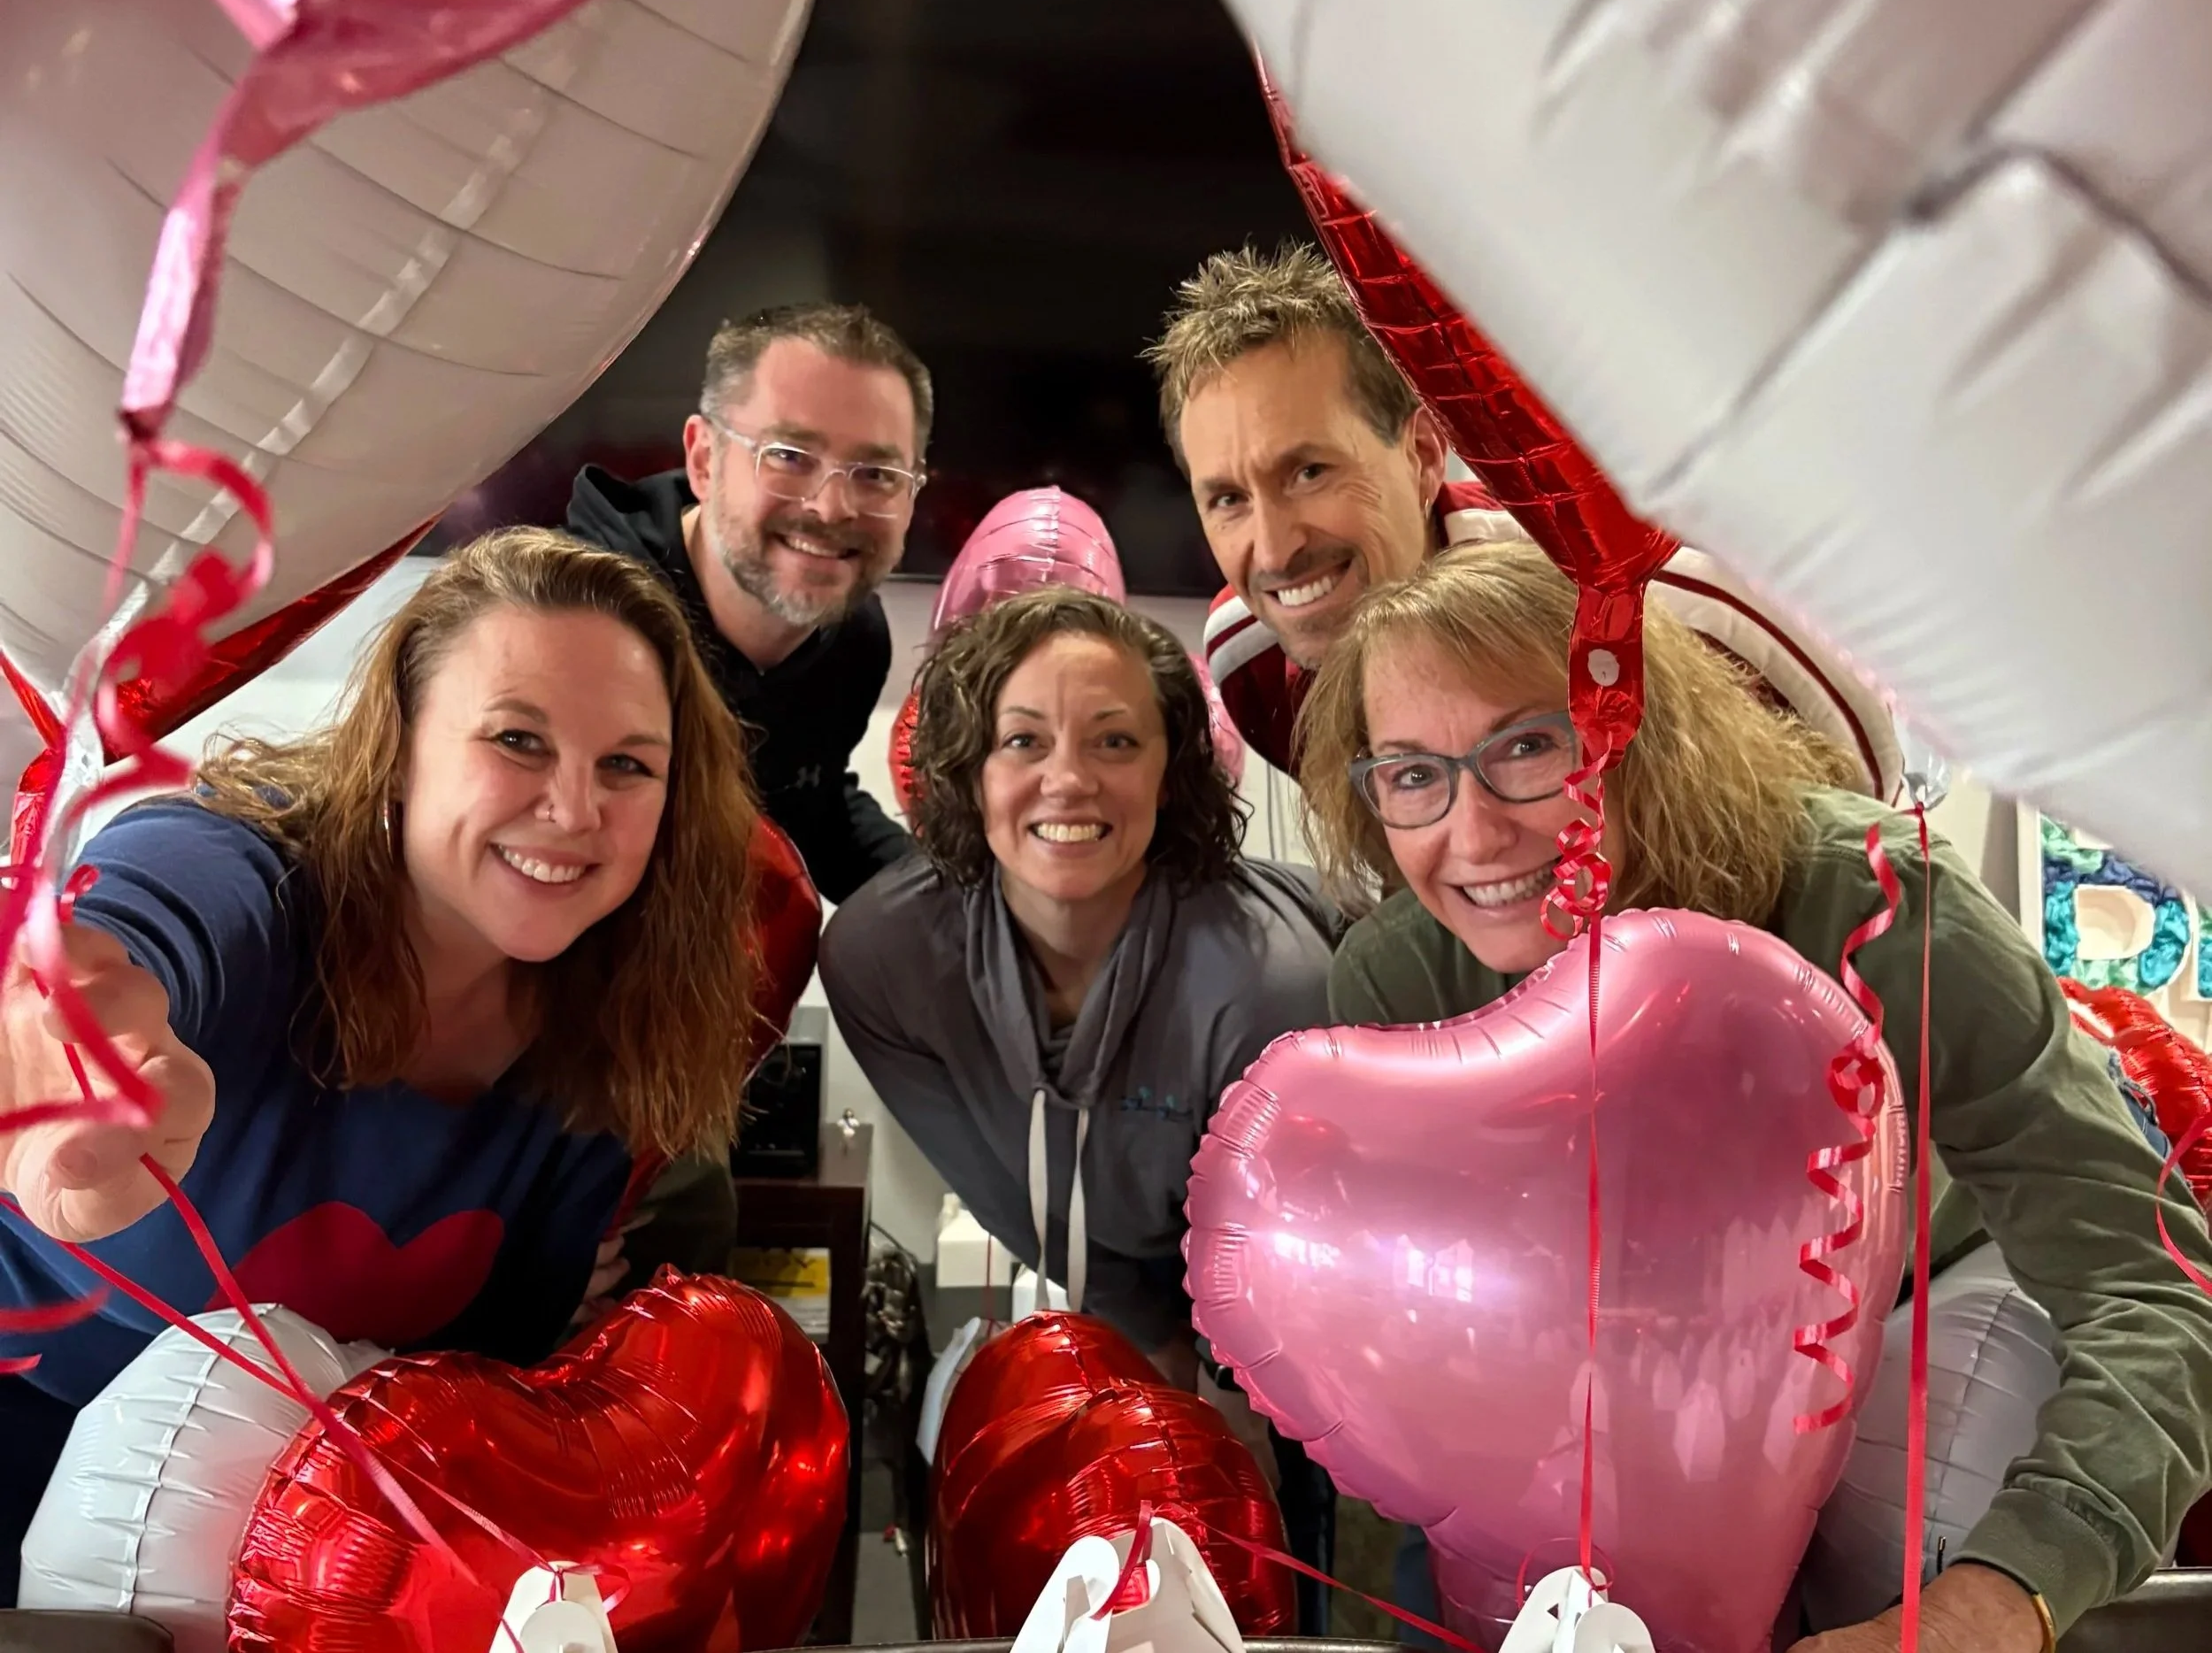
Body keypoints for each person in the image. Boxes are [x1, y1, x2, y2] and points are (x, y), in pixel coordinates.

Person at [1295, 542, 2212, 1653]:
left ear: (1636, 733)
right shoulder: (1399, 979)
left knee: (1904, 1544)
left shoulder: (1882, 908)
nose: (1475, 832)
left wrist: (1998, 1594)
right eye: (1410, 773)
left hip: (1927, 1308)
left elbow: (2150, 1283)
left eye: (1531, 745)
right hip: (1633, 1379)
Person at [0, 529, 761, 1597]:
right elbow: (133, 929)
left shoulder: (612, 1034)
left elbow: (478, 1412)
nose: (577, 810)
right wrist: (65, 1031)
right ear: (400, 747)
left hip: (300, 1576)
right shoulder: (242, 876)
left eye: (627, 765)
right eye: (518, 740)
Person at [818, 585, 1344, 1628]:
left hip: (1300, 1341)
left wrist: (1199, 1403)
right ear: (971, 768)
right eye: (1023, 739)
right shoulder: (883, 958)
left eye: (1115, 740)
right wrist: (1118, 1341)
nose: (1068, 778)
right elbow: (1012, 1194)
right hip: (1112, 1310)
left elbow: (1275, 1269)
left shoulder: (1266, 983)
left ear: (1171, 769)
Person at [1144, 243, 1900, 796]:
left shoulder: (1638, 602)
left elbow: (1869, 795)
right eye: (1229, 499)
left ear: (1423, 455)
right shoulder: (1253, 662)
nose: (1274, 549)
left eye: (1309, 472)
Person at [567, 300, 928, 905]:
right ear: (705, 459)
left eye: (876, 474)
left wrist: (968, 908)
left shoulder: (854, 637)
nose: (833, 507)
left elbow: (808, 808)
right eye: (789, 456)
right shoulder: (568, 621)